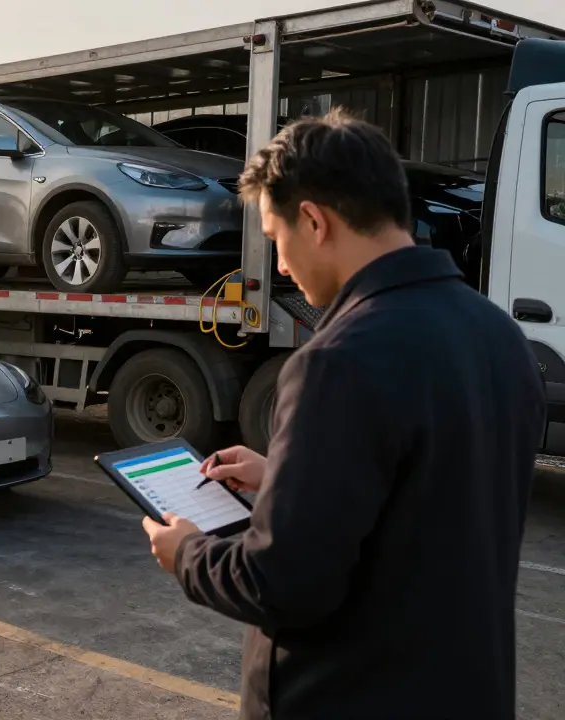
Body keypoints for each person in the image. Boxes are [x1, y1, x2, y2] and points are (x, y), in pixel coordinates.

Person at [141, 109, 546, 719]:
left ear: (314, 221)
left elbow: (284, 584)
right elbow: (424, 498)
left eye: (276, 238)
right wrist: (286, 470)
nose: (278, 265)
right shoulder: (499, 337)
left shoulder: (338, 362)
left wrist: (189, 554)